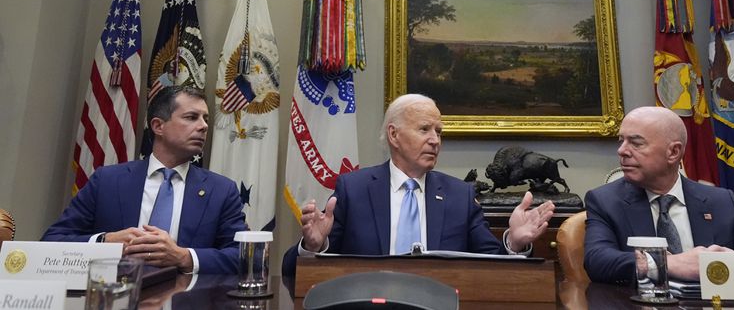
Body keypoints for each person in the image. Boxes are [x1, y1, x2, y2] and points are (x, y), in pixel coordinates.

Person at [282, 94, 556, 278]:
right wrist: (313, 245)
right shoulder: (354, 190)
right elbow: (290, 271)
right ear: (394, 135)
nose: (435, 140)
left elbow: (492, 268)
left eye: (439, 132)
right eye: (424, 130)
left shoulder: (459, 196)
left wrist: (514, 243)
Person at [42, 86, 247, 274]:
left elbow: (247, 257)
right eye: (192, 117)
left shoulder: (221, 190)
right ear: (158, 126)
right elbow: (51, 242)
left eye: (206, 119)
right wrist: (106, 240)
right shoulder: (107, 181)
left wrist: (184, 257)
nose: (203, 126)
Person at [584, 106, 734, 284]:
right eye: (621, 140)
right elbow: (597, 260)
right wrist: (666, 263)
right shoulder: (605, 201)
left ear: (673, 152)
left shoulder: (721, 202)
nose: (622, 150)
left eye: (636, 143)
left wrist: (733, 262)